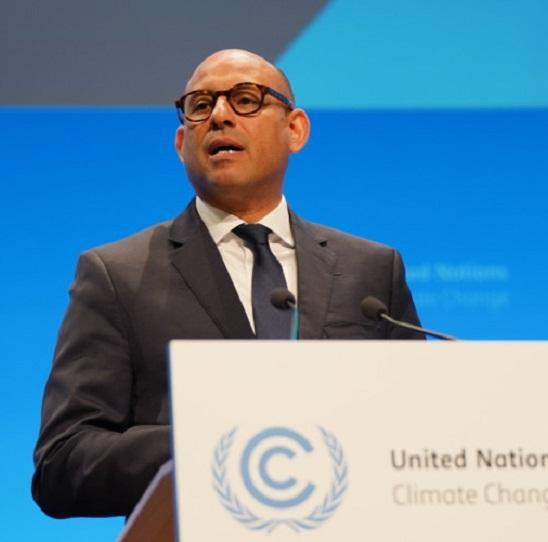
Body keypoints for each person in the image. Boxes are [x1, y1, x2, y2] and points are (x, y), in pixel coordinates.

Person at [31, 49, 422, 519]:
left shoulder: (372, 271)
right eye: (200, 105)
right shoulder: (117, 274)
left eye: (245, 99)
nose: (219, 116)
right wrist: (214, 446)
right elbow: (62, 464)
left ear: (295, 129)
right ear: (181, 143)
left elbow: (416, 435)